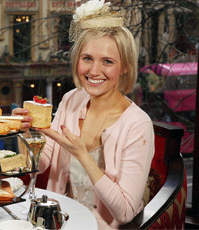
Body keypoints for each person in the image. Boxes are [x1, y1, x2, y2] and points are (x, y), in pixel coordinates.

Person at [13, 0, 154, 229]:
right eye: (87, 58)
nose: (94, 71)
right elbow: (39, 164)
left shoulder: (138, 124)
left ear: (125, 66)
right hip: (57, 221)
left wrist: (82, 155)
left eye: (107, 61)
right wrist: (27, 134)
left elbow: (126, 212)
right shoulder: (71, 99)